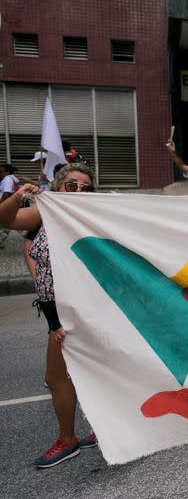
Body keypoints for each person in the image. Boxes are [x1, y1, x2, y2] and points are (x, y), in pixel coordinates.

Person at [0, 163, 97, 468]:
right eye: (72, 185)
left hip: (81, 313)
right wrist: (19, 196)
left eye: (86, 187)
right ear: (57, 187)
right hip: (57, 314)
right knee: (67, 376)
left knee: (59, 377)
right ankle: (86, 434)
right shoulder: (45, 213)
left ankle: (72, 439)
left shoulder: (94, 215)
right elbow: (6, 219)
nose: (79, 191)